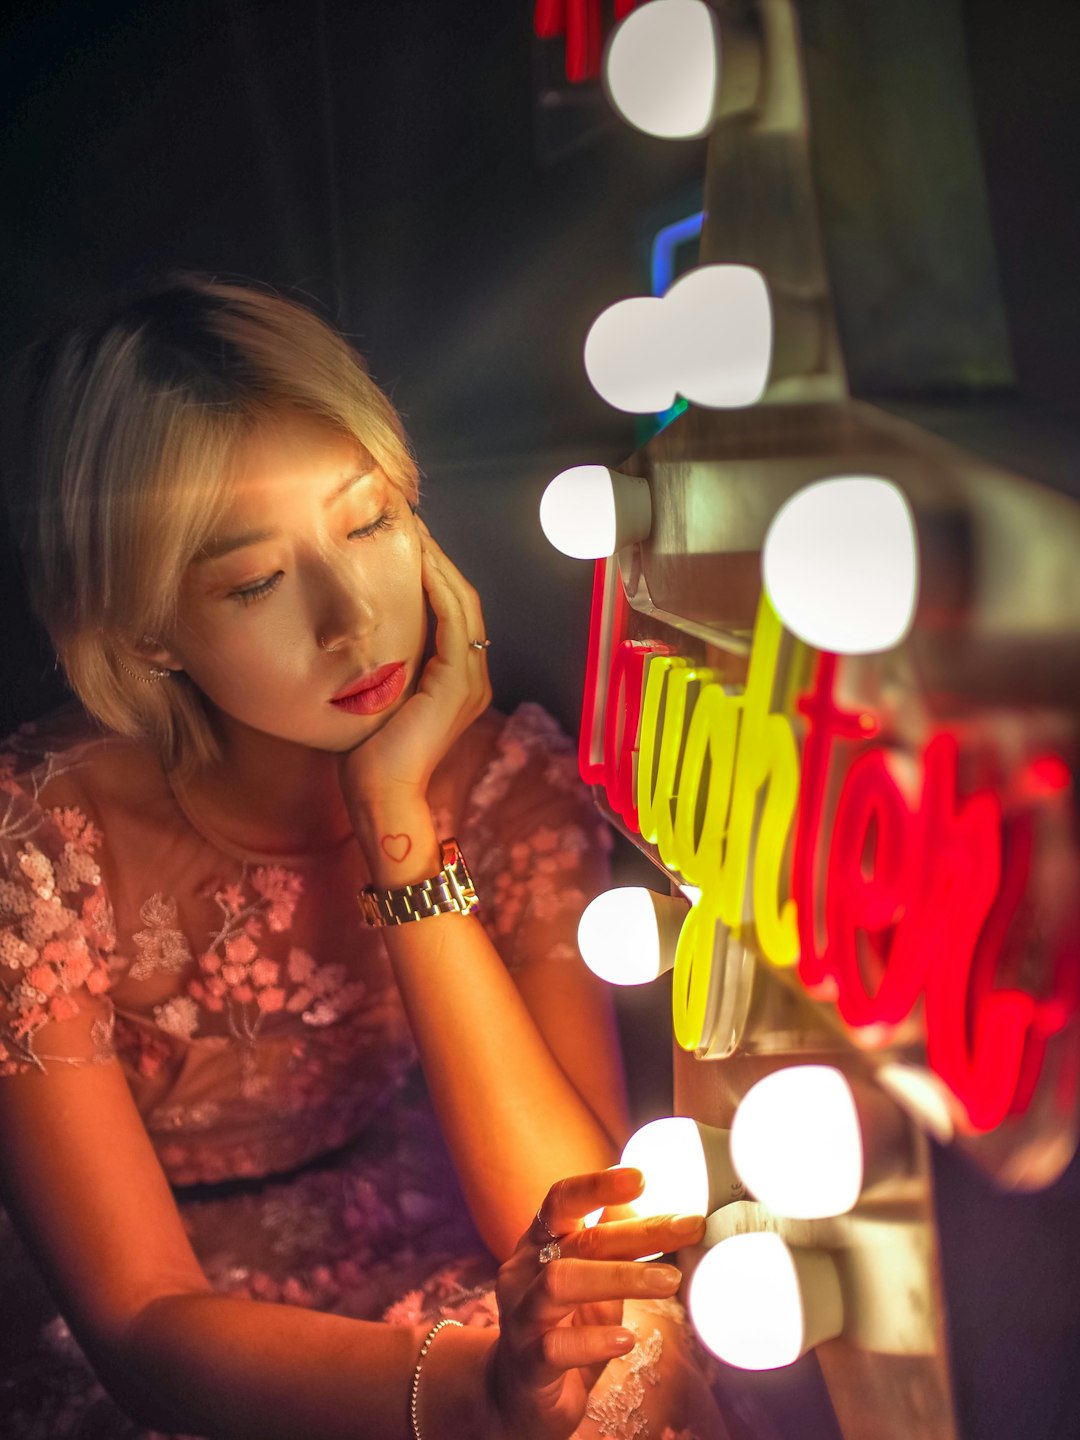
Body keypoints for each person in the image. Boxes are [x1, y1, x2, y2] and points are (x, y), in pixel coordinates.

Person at [0, 276, 727, 1439]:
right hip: (170, 1323)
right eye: (253, 583)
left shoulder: (501, 781)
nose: (351, 619)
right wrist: (474, 1394)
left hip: (416, 1233)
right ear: (144, 631)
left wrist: (398, 825)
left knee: (624, 1366)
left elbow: (571, 1217)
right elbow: (139, 1319)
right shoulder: (38, 849)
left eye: (370, 520)